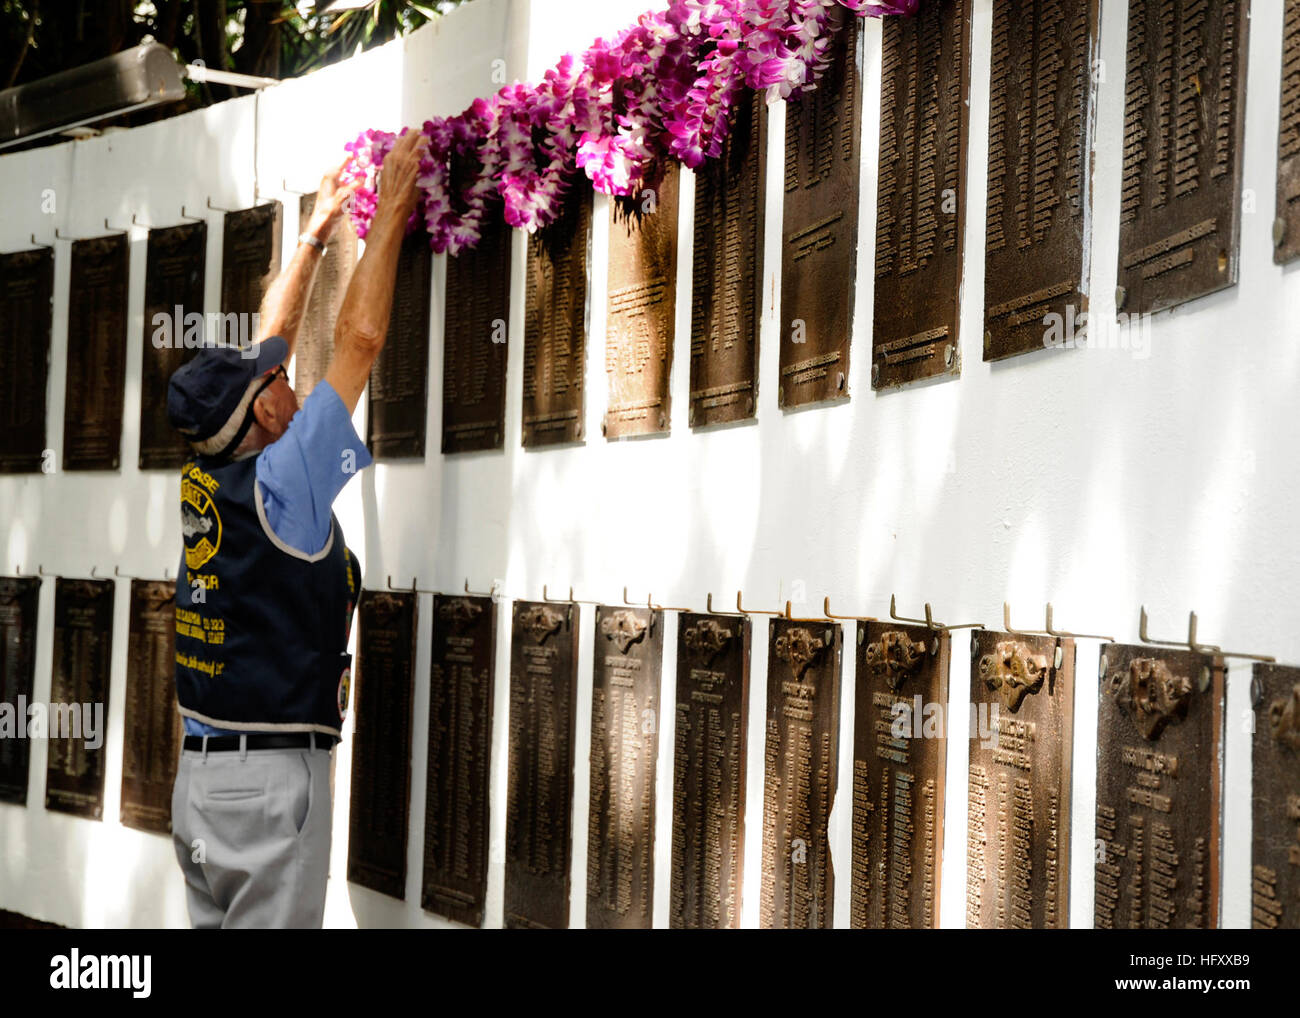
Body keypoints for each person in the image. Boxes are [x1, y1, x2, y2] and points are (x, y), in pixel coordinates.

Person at [164, 129, 428, 928]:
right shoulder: (290, 479)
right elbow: (362, 341)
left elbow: (271, 341)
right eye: (275, 380)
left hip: (201, 789)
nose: (284, 371)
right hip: (269, 790)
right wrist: (391, 210)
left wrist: (317, 234)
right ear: (266, 411)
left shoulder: (212, 471)